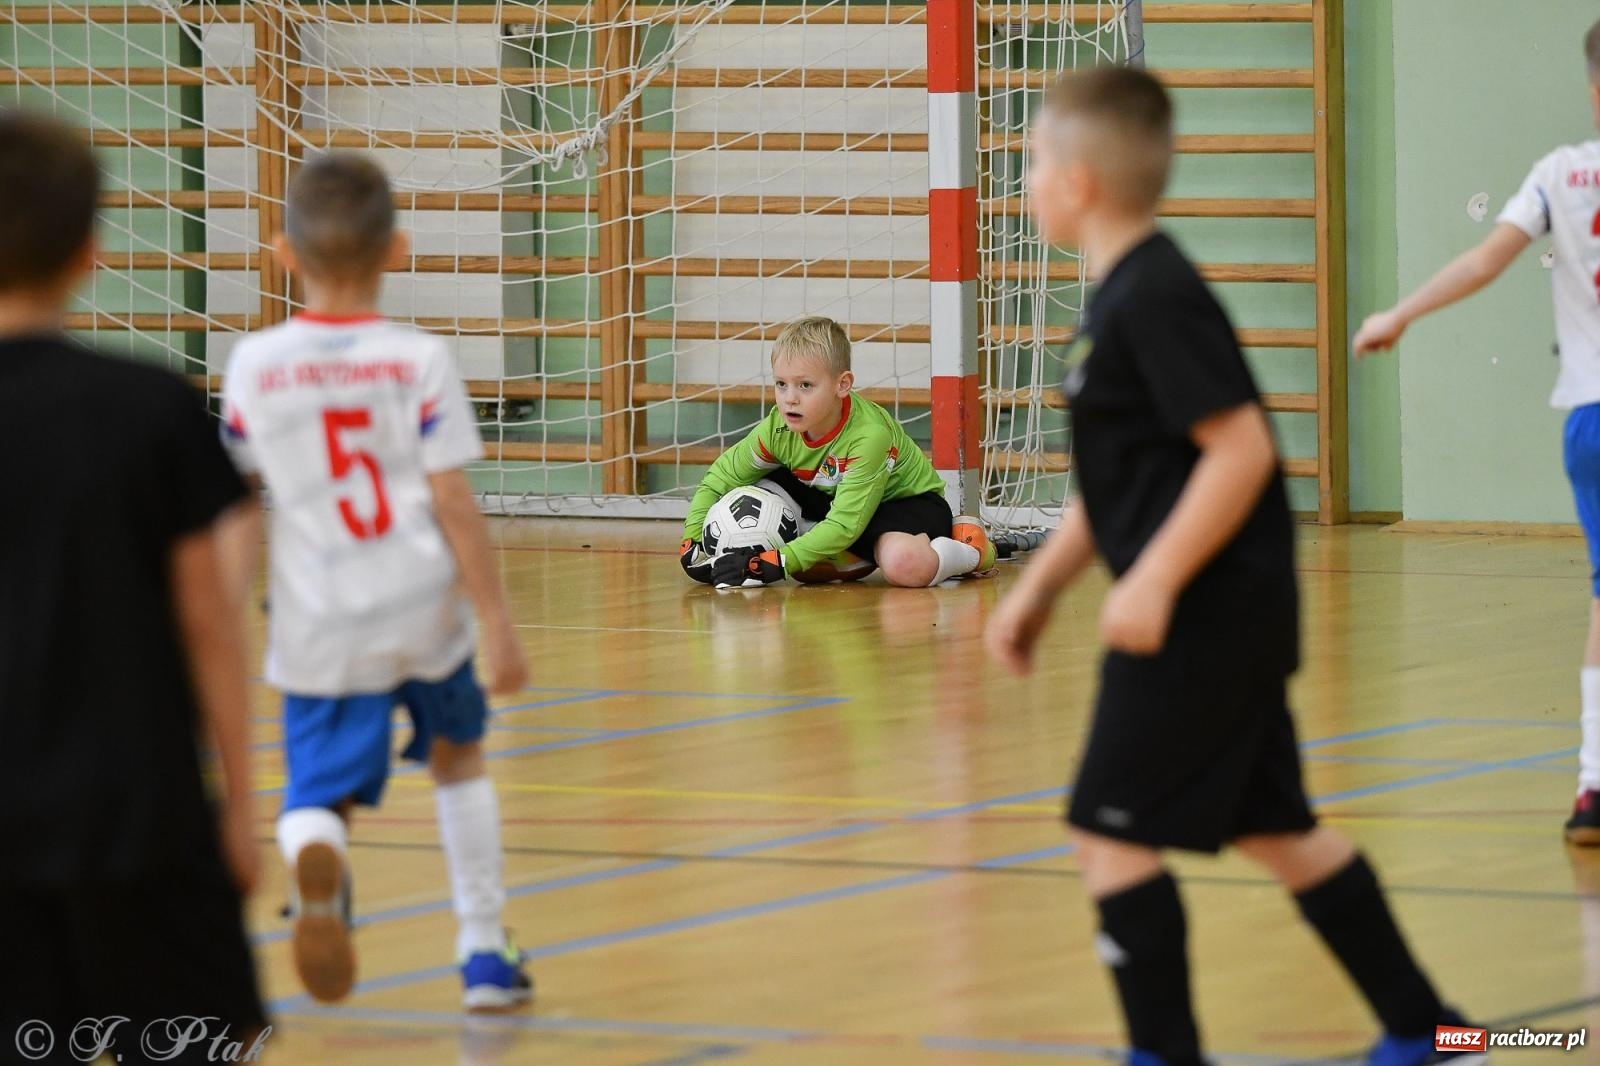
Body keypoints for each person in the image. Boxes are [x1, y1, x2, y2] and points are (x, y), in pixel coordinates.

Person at [986, 69, 1481, 1066]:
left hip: (1202, 616)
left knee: (1108, 832)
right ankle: (1440, 1034)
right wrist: (1037, 592)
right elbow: (1116, 485)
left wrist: (1156, 577)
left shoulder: (1153, 297)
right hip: (1219, 614)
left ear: (1078, 181)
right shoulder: (1113, 300)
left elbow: (1242, 448)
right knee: (1277, 830)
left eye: (1034, 160)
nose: (1024, 179)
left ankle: (1162, 1055)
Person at [220, 152, 532, 1010]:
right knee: (459, 761)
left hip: (320, 615)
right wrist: (498, 621)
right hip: (422, 607)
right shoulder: (419, 359)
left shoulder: (254, 365)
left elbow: (240, 506)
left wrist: (229, 614)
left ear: (283, 252)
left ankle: (317, 849)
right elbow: (452, 499)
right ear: (397, 247)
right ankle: (482, 954)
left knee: (314, 789)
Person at [0, 111, 267, 1062]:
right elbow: (210, 623)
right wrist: (240, 805)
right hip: (141, 821)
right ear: (88, 250)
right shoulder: (151, 411)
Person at [1355, 17, 1600, 847]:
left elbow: (1483, 262)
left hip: (1589, 419)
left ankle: (1594, 785)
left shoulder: (1560, 175)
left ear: (1593, 87)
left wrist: (1401, 312)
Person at [679, 315, 996, 588]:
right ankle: (848, 557)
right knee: (758, 482)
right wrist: (692, 542)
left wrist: (771, 564)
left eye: (805, 385)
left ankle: (971, 548)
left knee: (904, 565)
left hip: (904, 506)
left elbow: (845, 525)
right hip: (836, 500)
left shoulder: (868, 436)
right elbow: (718, 479)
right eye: (781, 384)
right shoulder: (777, 428)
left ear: (842, 385)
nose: (790, 399)